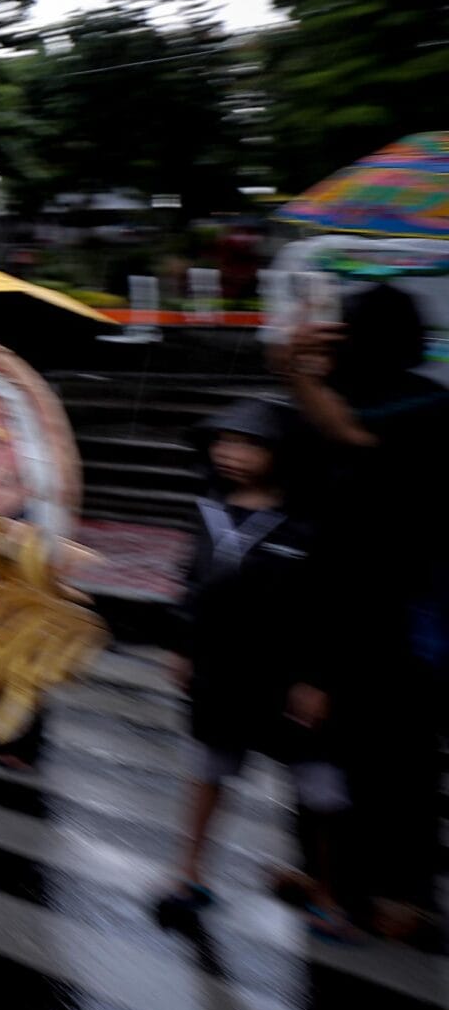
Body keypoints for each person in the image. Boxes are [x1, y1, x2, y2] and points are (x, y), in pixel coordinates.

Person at [282, 282, 449, 940]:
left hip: (401, 614)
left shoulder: (425, 404)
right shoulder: (335, 397)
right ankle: (333, 879)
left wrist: (299, 375)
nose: (336, 336)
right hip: (331, 603)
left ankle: (402, 893)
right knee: (325, 754)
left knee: (400, 761)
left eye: (346, 327)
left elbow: (350, 434)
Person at [155, 398, 349, 936]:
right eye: (224, 442)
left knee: (317, 790)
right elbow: (192, 582)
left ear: (281, 454)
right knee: (207, 774)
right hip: (220, 672)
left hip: (287, 678)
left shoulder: (308, 521)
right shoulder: (209, 510)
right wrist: (183, 646)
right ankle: (189, 874)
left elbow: (328, 604)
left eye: (248, 444)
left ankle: (326, 893)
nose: (231, 454)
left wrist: (316, 678)